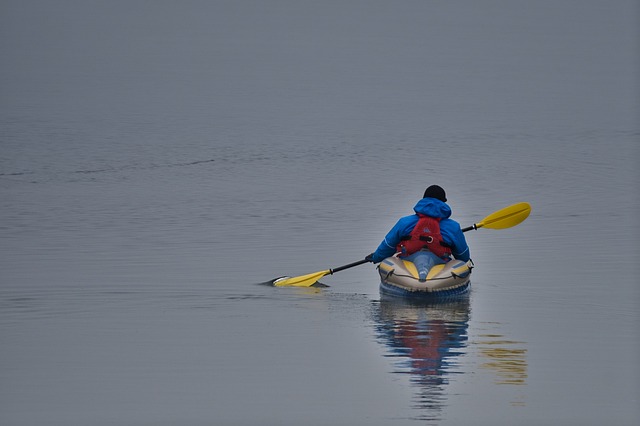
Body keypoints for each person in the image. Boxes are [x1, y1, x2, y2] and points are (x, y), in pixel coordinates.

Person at [366, 185, 470, 281]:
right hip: (440, 264)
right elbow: (463, 256)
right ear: (443, 203)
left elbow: (388, 245)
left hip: (408, 263)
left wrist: (376, 257)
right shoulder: (453, 227)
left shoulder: (405, 222)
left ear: (423, 200)